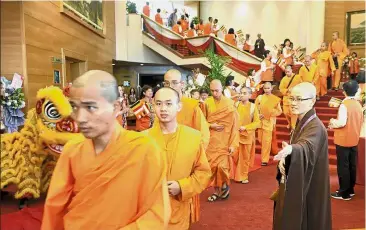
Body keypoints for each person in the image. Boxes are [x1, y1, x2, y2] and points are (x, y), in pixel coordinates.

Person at [41, 70, 170, 230]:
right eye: (74, 107)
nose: (80, 118)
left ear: (116, 107)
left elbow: (157, 214)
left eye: (90, 107)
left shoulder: (145, 150)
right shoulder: (72, 150)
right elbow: (54, 209)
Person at [145, 87, 211, 229]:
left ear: (178, 107)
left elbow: (203, 173)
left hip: (179, 210)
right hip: (148, 212)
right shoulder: (143, 139)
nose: (163, 109)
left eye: (169, 104)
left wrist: (182, 186)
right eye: (158, 104)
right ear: (152, 106)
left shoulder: (192, 137)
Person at [273, 82, 331, 230]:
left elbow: (307, 145)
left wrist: (293, 150)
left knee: (308, 219)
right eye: (291, 98)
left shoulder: (316, 127)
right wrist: (288, 158)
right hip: (304, 178)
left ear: (312, 101)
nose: (293, 103)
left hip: (311, 184)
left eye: (299, 99)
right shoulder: (302, 121)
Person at [161, 69, 210, 222]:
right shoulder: (161, 106)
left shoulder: (192, 106)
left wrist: (188, 157)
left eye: (174, 83)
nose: (170, 86)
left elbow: (203, 136)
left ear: (182, 84)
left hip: (185, 163)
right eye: (167, 83)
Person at [329, 80, 363, 200]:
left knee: (343, 166)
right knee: (351, 165)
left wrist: (332, 122)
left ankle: (344, 192)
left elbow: (341, 122)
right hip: (354, 138)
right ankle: (350, 189)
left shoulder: (344, 105)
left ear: (344, 91)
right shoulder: (358, 104)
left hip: (343, 139)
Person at [205, 80, 239, 202]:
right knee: (213, 167)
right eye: (212, 91)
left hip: (225, 141)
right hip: (211, 141)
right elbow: (201, 122)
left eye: (217, 91)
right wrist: (210, 125)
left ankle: (224, 187)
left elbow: (235, 126)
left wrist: (233, 144)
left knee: (222, 167)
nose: (214, 93)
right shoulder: (207, 103)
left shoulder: (230, 104)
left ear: (222, 89)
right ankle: (216, 191)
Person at [232, 87, 260, 183]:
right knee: (234, 155)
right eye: (241, 93)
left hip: (247, 136)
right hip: (236, 135)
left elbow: (257, 123)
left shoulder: (252, 107)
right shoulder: (236, 105)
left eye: (244, 93)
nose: (242, 95)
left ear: (250, 95)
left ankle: (243, 176)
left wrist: (246, 127)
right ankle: (238, 173)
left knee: (244, 157)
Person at [255, 82, 282, 166]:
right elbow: (255, 108)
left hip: (269, 122)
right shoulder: (259, 98)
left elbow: (279, 111)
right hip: (260, 122)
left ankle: (264, 160)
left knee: (266, 141)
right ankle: (274, 151)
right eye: (265, 88)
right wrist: (258, 115)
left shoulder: (275, 99)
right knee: (260, 140)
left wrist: (270, 113)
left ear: (271, 88)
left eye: (268, 88)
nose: (266, 90)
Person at [279, 65, 302, 130]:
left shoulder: (297, 77)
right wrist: (287, 90)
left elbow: (301, 85)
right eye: (286, 72)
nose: (287, 73)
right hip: (286, 98)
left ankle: (293, 126)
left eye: (288, 72)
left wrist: (296, 90)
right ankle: (290, 123)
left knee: (293, 113)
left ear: (291, 70)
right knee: (286, 113)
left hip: (294, 98)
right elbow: (281, 89)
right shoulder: (284, 79)